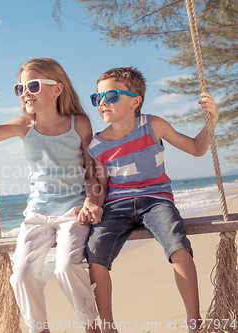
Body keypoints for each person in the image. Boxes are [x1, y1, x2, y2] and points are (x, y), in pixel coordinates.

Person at [0, 58, 101, 333]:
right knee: (22, 274)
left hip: (72, 211)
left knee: (66, 267)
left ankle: (90, 325)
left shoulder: (79, 123)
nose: (25, 92)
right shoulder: (24, 126)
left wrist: (90, 201)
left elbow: (92, 171)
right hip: (37, 214)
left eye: (33, 85)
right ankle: (40, 329)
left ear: (57, 89)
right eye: (20, 88)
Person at [86, 66, 219, 333]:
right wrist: (92, 203)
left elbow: (196, 148)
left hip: (156, 199)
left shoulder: (152, 125)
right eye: (97, 97)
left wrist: (212, 119)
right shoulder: (96, 144)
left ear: (135, 101)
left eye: (110, 96)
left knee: (178, 246)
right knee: (95, 252)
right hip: (117, 205)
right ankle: (108, 326)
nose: (102, 103)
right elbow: (100, 185)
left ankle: (195, 323)